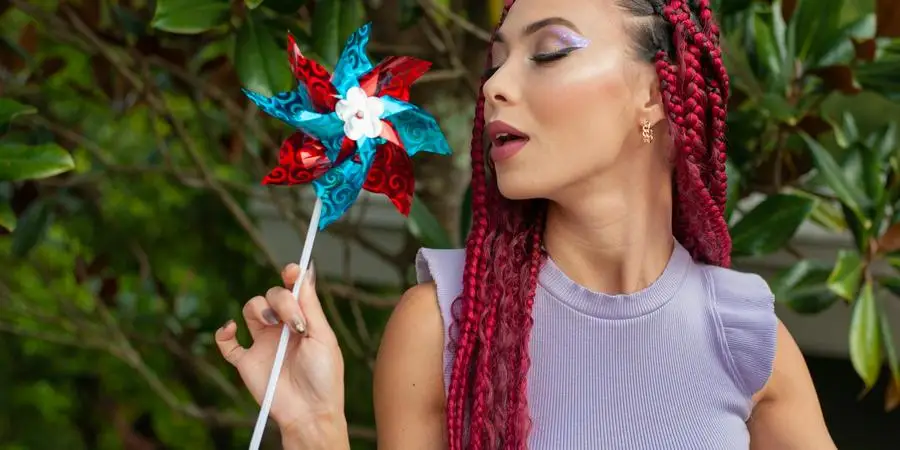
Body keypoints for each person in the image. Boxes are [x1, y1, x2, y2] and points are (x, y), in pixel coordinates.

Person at [215, 0, 838, 448]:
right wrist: (312, 428)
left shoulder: (745, 337)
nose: (495, 86)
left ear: (653, 94)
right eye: (497, 59)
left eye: (549, 52)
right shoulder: (444, 327)